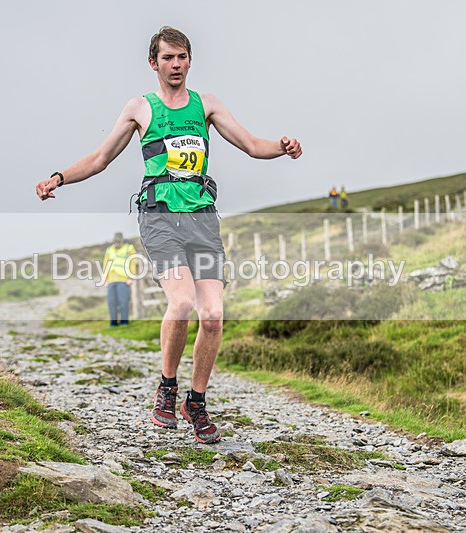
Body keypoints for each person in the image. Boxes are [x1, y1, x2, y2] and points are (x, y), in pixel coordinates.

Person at [36, 26, 302, 444]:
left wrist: (282, 146)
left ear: (190, 60)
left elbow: (251, 144)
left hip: (202, 218)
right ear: (153, 63)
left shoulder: (207, 104)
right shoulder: (140, 108)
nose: (175, 65)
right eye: (167, 58)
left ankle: (195, 402)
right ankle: (166, 387)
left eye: (182, 57)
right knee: (180, 303)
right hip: (159, 217)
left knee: (212, 316)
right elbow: (101, 158)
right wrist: (59, 178)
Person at [103, 232, 136, 326]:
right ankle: (113, 323)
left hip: (124, 280)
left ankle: (124, 322)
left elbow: (133, 263)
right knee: (111, 302)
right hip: (111, 280)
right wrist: (105, 280)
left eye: (119, 241)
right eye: (115, 242)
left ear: (122, 241)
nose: (117, 243)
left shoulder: (129, 249)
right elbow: (106, 265)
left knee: (123, 302)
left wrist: (130, 277)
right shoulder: (109, 250)